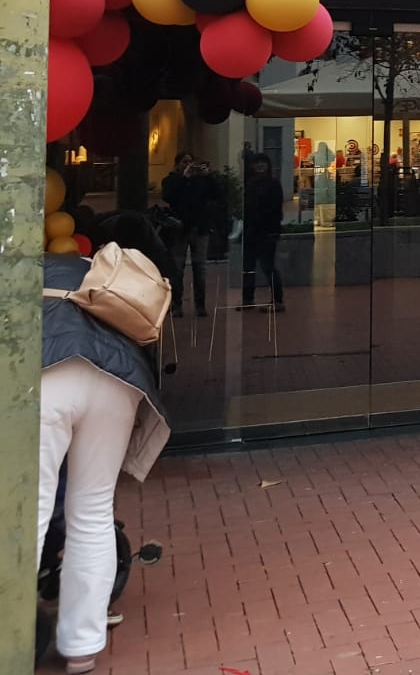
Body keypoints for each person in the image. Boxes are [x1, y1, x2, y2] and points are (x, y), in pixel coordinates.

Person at [40, 211, 173, 673]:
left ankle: (14, 631)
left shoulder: (20, 274)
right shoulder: (89, 270)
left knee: (27, 511)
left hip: (46, 370)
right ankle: (81, 646)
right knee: (93, 510)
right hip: (118, 377)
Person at [160, 153, 214, 317]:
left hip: (199, 229)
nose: (189, 165)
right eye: (185, 162)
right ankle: (177, 305)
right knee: (177, 268)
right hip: (179, 229)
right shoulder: (171, 180)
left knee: (200, 268)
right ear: (177, 165)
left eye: (191, 162)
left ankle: (200, 305)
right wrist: (184, 178)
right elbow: (168, 196)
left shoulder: (201, 181)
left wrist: (209, 176)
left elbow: (216, 195)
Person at [242, 153, 285, 311]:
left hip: (267, 231)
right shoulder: (250, 184)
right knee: (248, 266)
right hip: (252, 231)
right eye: (257, 163)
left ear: (267, 165)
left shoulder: (273, 184)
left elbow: (274, 208)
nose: (259, 166)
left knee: (268, 266)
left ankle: (278, 300)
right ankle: (247, 299)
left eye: (262, 163)